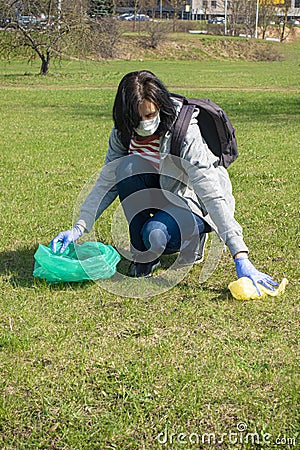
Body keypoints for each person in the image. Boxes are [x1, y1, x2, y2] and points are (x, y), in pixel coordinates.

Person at [51, 70, 278, 294]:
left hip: (189, 198)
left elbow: (210, 192)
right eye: (137, 118)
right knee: (125, 168)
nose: (144, 123)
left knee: (156, 233)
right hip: (158, 190)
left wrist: (240, 255)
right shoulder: (123, 132)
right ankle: (143, 257)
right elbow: (106, 181)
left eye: (150, 115)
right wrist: (79, 227)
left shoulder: (184, 131)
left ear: (159, 106)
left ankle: (190, 241)